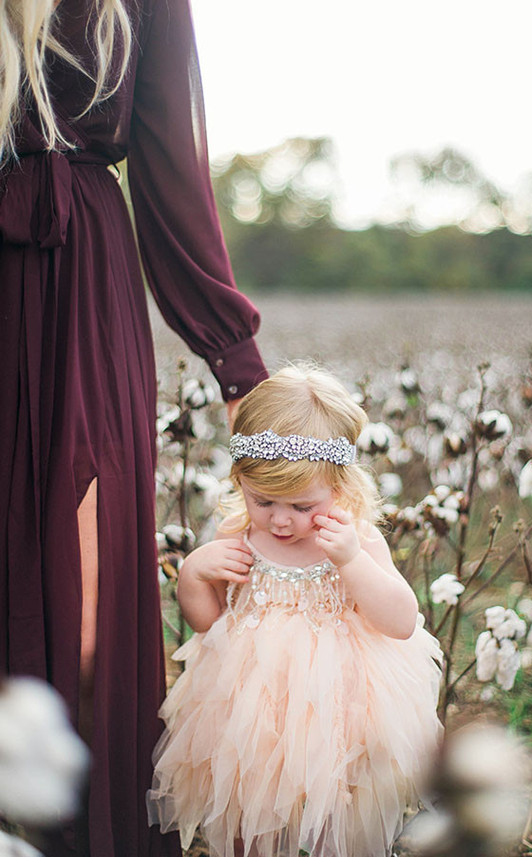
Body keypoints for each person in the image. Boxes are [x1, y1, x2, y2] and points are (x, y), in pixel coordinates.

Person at [0, 0, 267, 855]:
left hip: (82, 284)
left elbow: (168, 165)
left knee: (84, 594)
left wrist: (239, 365)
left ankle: (65, 827)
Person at [147, 365, 443, 857]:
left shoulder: (355, 539)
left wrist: (350, 560)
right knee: (247, 800)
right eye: (263, 501)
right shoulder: (237, 534)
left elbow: (400, 621)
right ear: (239, 479)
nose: (281, 520)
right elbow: (211, 624)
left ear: (342, 488)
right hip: (250, 704)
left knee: (342, 805)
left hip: (344, 703)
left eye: (302, 506)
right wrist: (196, 574)